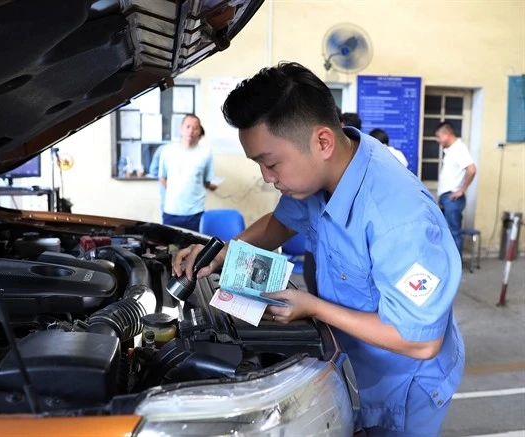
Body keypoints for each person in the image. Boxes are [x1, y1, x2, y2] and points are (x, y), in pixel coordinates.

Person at [172, 62, 464, 436]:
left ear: (322, 141)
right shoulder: (324, 172)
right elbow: (278, 224)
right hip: (352, 356)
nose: (266, 177)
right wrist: (221, 253)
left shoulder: (401, 221)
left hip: (402, 381)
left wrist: (312, 307)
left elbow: (419, 340)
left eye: (271, 162)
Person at [159, 114, 217, 232]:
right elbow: (162, 177)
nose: (191, 131)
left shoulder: (206, 154)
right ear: (181, 128)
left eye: (195, 128)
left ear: (200, 131)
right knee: (169, 248)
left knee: (194, 248)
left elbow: (206, 182)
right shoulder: (167, 151)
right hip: (171, 212)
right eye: (188, 127)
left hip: (195, 213)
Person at [435, 122, 477, 256]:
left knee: (453, 233)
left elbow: (472, 169)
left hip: (452, 199)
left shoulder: (459, 148)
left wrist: (461, 190)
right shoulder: (451, 150)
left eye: (438, 136)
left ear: (447, 134)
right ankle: (450, 266)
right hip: (447, 199)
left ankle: (456, 269)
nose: (437, 140)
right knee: (447, 233)